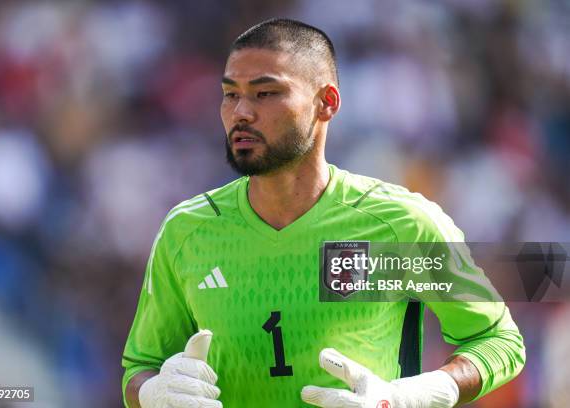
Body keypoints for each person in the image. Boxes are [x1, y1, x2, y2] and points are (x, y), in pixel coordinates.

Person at [122, 18, 525, 408]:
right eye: (231, 94)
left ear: (326, 103)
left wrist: (414, 395)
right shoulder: (187, 231)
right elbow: (140, 368)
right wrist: (152, 393)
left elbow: (498, 341)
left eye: (265, 93)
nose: (241, 112)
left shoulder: (399, 225)